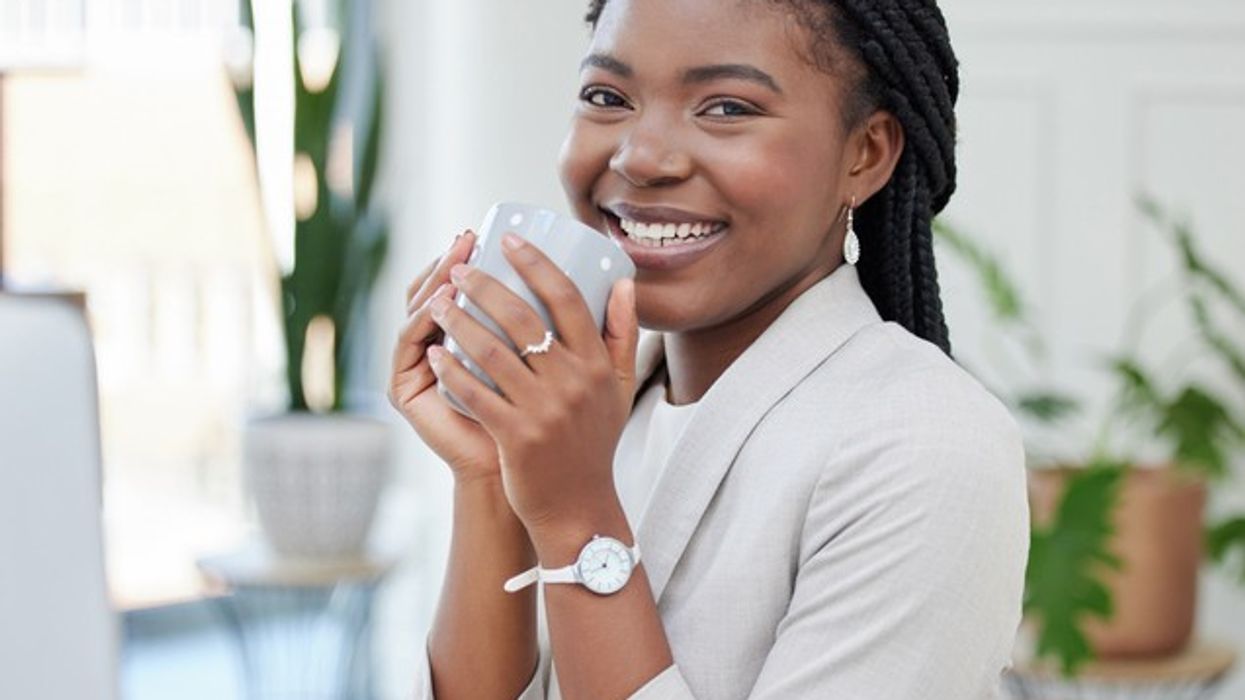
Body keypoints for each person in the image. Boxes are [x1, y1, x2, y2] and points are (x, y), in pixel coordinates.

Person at [390, 0, 1029, 697]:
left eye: (726, 108)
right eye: (607, 96)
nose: (640, 158)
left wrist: (578, 518)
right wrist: (489, 478)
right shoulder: (586, 412)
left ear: (865, 153)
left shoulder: (926, 446)